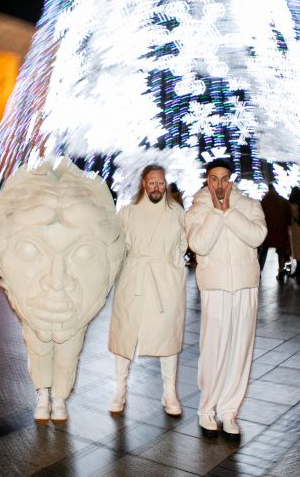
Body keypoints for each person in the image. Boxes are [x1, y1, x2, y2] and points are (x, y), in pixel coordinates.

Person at [0, 159, 124, 425]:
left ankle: (59, 397)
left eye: (82, 252)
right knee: (37, 344)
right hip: (39, 309)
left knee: (69, 348)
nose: (57, 280)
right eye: (29, 250)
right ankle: (42, 393)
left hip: (72, 312)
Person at [185, 158, 267, 440]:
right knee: (214, 350)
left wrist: (229, 211)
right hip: (215, 288)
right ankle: (207, 410)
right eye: (213, 178)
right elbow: (199, 245)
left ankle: (229, 411)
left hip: (245, 286)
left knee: (240, 350)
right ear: (207, 181)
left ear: (231, 181)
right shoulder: (196, 209)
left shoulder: (250, 205)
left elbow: (257, 236)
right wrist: (216, 214)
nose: (218, 184)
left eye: (223, 179)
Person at [107, 165, 187, 417]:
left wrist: (172, 269)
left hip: (165, 280)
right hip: (134, 278)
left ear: (166, 185)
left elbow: (182, 244)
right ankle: (120, 389)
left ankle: (169, 392)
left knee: (168, 335)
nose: (157, 188)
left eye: (161, 183)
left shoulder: (176, 213)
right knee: (125, 333)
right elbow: (118, 245)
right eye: (152, 183)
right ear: (144, 184)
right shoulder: (128, 213)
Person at [259, 183, 293, 281]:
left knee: (264, 251)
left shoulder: (263, 202)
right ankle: (281, 270)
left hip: (267, 232)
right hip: (280, 230)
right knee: (281, 251)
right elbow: (289, 215)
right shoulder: (282, 201)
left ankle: (259, 271)